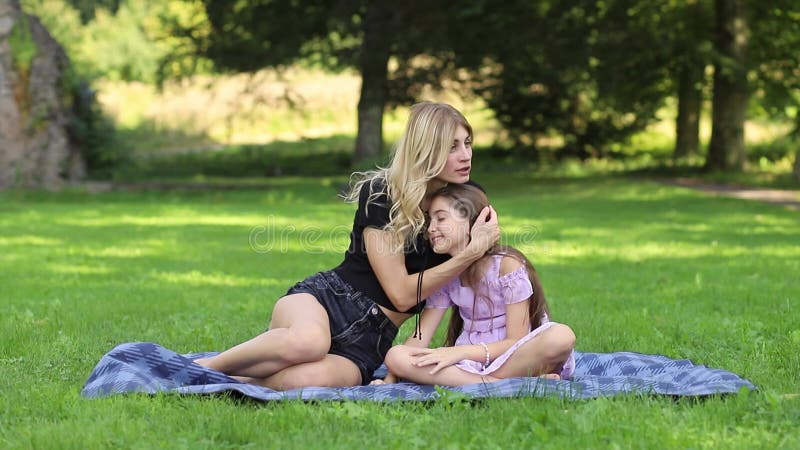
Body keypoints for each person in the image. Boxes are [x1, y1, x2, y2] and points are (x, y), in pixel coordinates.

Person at [194, 102, 500, 390]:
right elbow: (401, 294)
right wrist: (470, 252)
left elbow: (489, 270)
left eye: (467, 143)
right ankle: (199, 369)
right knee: (309, 342)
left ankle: (232, 380)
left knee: (304, 380)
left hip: (369, 343)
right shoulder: (383, 193)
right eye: (452, 147)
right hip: (328, 301)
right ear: (426, 149)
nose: (466, 155)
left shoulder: (467, 200)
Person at [374, 183, 575, 387]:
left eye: (441, 218)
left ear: (473, 221)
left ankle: (491, 381)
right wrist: (391, 377)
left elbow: (516, 341)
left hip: (515, 358)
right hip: (471, 365)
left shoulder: (506, 266)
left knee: (561, 336)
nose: (431, 228)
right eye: (429, 221)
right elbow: (420, 338)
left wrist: (458, 352)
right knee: (396, 355)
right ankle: (498, 383)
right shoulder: (446, 275)